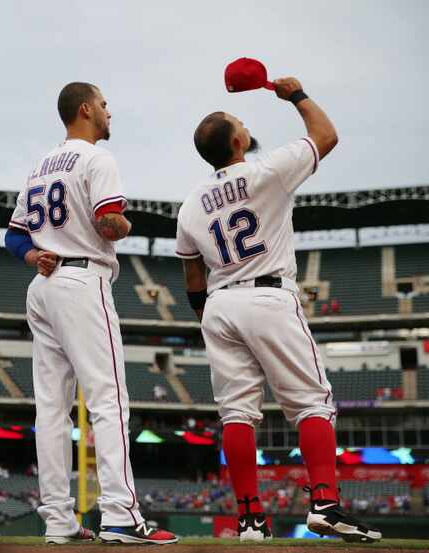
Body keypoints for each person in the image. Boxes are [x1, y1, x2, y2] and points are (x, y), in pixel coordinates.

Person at [176, 76, 381, 543]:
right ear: (236, 141)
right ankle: (326, 506)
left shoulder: (190, 206)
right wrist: (295, 95)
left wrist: (213, 322)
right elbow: (326, 136)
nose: (246, 126)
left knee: (236, 415)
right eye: (241, 123)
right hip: (268, 294)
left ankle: (250, 520)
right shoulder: (267, 170)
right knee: (312, 403)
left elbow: (193, 281)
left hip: (219, 305)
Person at [4, 82, 178, 546]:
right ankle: (120, 515)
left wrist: (31, 258)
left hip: (42, 287)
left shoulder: (41, 166)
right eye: (103, 103)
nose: (107, 111)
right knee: (108, 401)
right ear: (85, 109)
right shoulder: (98, 159)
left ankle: (58, 522)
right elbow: (107, 221)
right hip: (83, 280)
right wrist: (126, 222)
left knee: (51, 409)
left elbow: (14, 236)